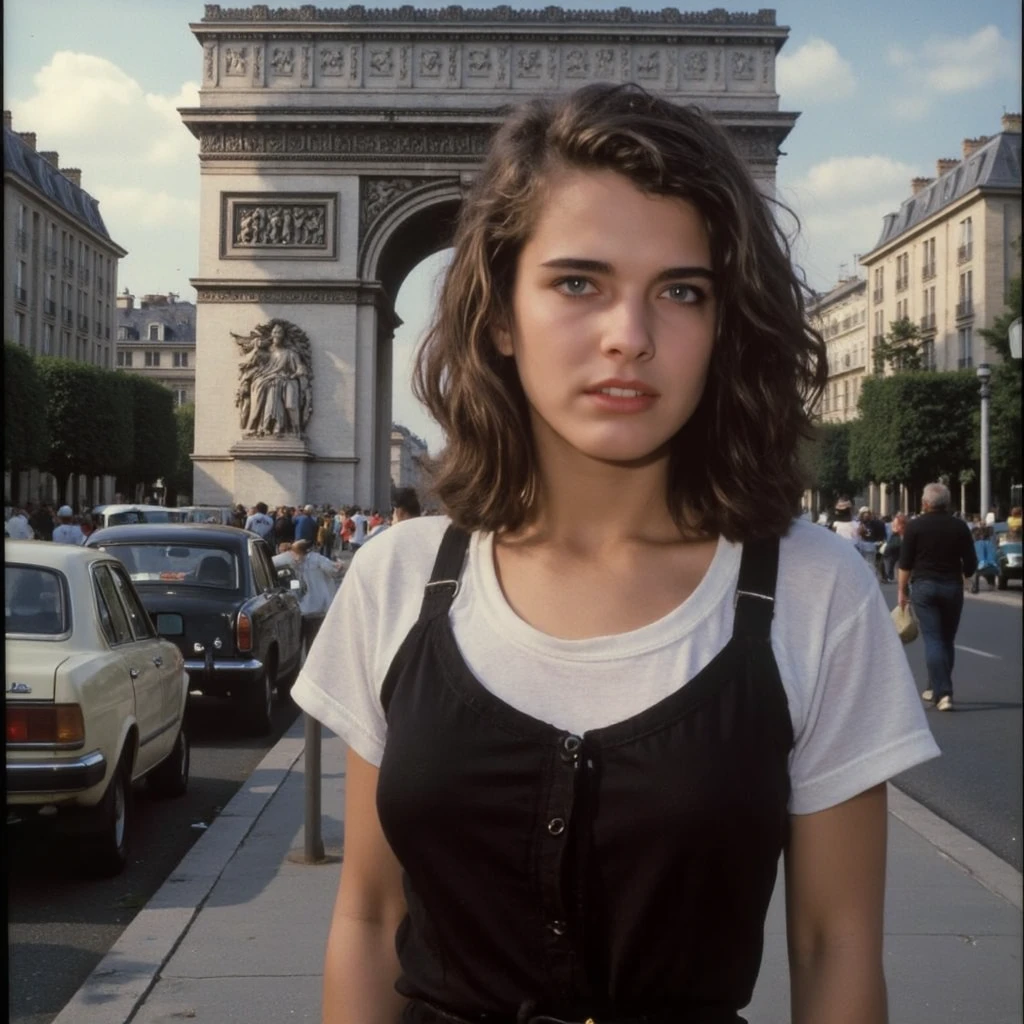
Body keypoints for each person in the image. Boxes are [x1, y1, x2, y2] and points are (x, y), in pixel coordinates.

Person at [292, 83, 939, 1023]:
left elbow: (834, 946)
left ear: (724, 327)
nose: (629, 338)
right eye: (578, 282)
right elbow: (368, 914)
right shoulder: (396, 576)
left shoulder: (816, 589)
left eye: (681, 291)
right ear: (501, 315)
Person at [898, 482, 977, 711]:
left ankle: (942, 692)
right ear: (948, 503)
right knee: (946, 640)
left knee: (932, 639)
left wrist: (902, 591)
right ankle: (938, 689)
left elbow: (905, 563)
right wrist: (966, 575)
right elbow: (971, 563)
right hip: (952, 587)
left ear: (924, 503)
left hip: (923, 586)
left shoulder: (914, 527)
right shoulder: (960, 527)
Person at [274, 539, 344, 644]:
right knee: (312, 643)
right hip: (317, 608)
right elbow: (333, 571)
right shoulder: (318, 559)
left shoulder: (287, 558)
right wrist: (340, 565)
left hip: (297, 608)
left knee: (296, 642)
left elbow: (270, 563)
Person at [970, 525, 999, 593]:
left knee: (976, 566)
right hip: (993, 567)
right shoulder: (991, 543)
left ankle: (975, 586)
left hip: (981, 567)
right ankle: (991, 584)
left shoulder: (977, 544)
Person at [880, 513, 906, 584]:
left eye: (895, 524)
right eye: (893, 524)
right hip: (893, 547)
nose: (893, 526)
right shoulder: (895, 533)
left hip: (894, 547)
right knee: (888, 561)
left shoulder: (899, 535)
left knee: (888, 560)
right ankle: (888, 576)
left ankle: (888, 576)